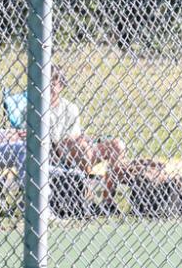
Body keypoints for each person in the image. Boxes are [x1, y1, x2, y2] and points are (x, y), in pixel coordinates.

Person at [47, 67, 128, 210]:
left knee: (117, 146)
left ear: (61, 85)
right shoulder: (37, 108)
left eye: (54, 82)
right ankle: (88, 197)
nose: (51, 87)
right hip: (54, 152)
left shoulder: (70, 108)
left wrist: (85, 140)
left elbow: (75, 135)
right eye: (47, 82)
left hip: (77, 148)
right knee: (82, 147)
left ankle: (106, 200)